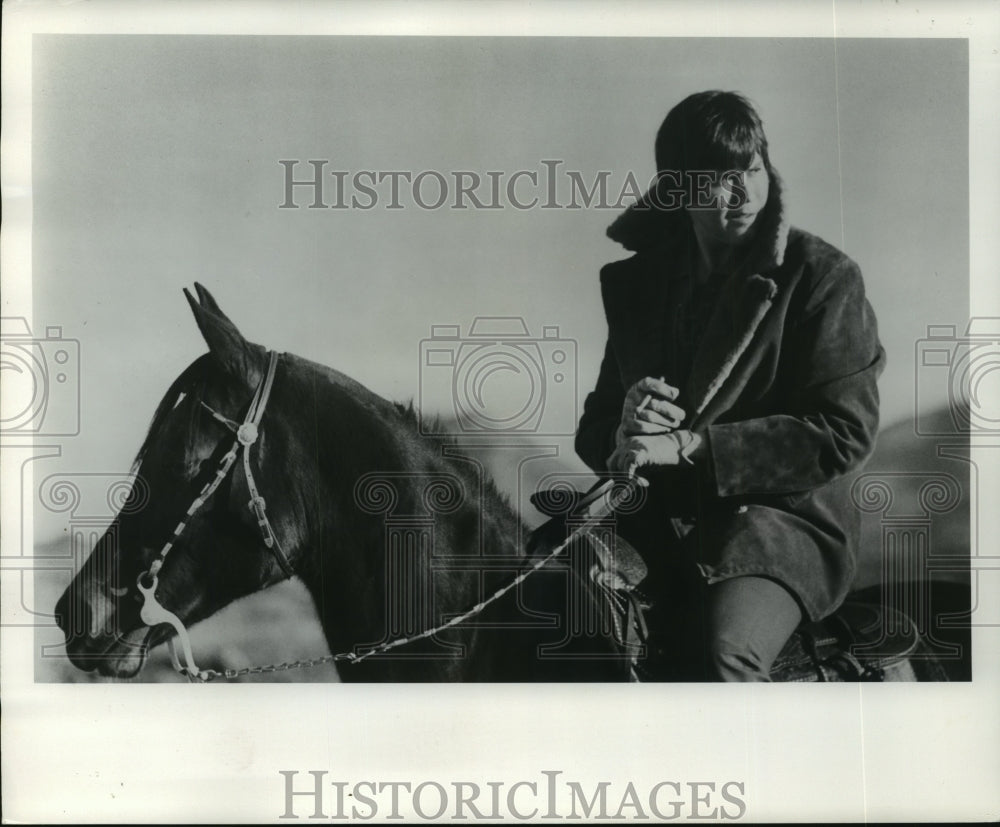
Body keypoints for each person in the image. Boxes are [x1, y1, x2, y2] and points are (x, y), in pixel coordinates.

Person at [575, 90, 885, 682]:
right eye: (716, 180)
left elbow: (843, 432)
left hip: (782, 526)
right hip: (653, 522)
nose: (742, 194)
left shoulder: (820, 277)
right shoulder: (639, 288)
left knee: (727, 655)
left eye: (751, 170)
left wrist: (691, 447)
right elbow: (595, 430)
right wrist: (622, 432)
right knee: (538, 608)